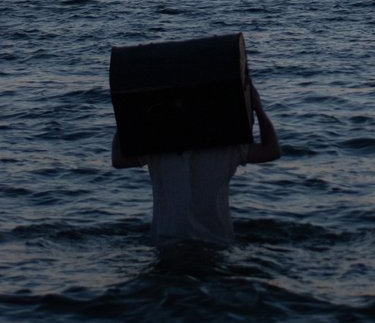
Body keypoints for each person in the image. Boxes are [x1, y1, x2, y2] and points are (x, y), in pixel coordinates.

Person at [111, 83, 280, 247]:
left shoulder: (157, 148)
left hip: (168, 241)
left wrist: (129, 111)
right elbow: (271, 151)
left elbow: (118, 160)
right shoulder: (227, 149)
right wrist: (258, 107)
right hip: (216, 240)